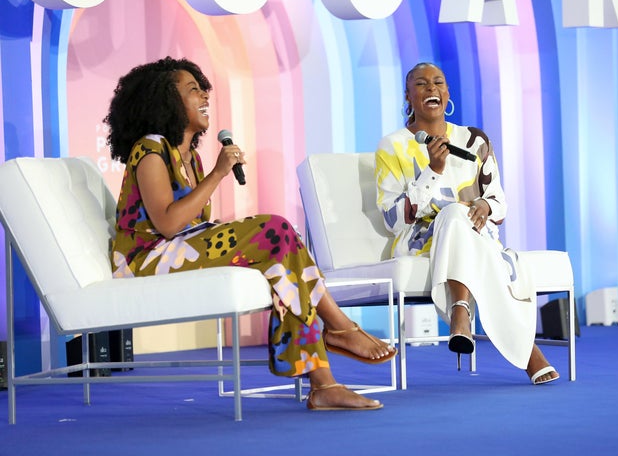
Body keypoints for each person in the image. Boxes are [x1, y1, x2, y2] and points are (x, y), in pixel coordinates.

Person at [105, 56, 396, 410]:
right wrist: (218, 174)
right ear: (165, 100)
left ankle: (324, 384)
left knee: (283, 250)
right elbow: (167, 225)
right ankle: (339, 329)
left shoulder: (190, 159)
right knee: (275, 230)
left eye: (203, 89)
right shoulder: (150, 149)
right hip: (146, 259)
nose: (204, 96)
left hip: (176, 250)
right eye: (192, 90)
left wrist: (211, 174)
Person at [374, 62, 559, 384]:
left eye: (438, 83)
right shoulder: (392, 145)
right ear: (408, 95)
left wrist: (485, 205)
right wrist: (433, 170)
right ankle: (527, 352)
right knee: (455, 213)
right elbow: (393, 219)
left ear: (447, 93)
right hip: (422, 240)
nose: (431, 88)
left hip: (477, 234)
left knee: (463, 219)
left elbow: (499, 203)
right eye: (421, 84)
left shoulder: (474, 140)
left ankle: (461, 311)